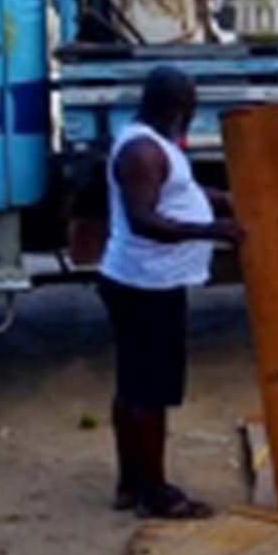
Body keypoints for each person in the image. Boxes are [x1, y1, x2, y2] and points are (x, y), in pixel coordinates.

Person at [100, 65, 242, 517]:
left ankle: (130, 482)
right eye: (190, 108)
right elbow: (143, 219)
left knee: (134, 386)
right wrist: (210, 229)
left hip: (146, 279)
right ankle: (155, 493)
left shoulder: (153, 143)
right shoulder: (141, 151)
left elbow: (173, 188)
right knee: (150, 392)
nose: (191, 118)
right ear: (175, 107)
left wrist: (214, 197)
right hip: (146, 283)